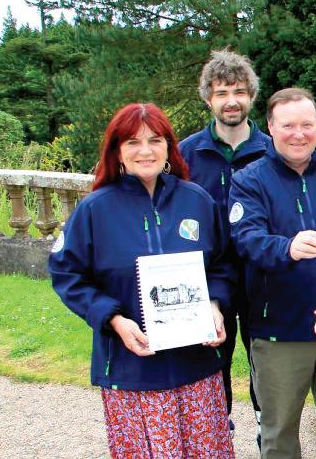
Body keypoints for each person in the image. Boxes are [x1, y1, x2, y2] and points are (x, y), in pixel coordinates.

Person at [50, 103, 234, 457]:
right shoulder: (95, 210)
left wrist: (213, 304)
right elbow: (66, 274)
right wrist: (114, 320)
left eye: (155, 140)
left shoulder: (197, 200)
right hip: (131, 369)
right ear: (117, 150)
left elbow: (222, 264)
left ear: (169, 147)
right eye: (133, 142)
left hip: (196, 367)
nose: (145, 150)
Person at [229, 87, 316, 459]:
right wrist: (286, 248)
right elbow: (246, 238)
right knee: (280, 436)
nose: (299, 134)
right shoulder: (249, 180)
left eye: (307, 124)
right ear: (270, 127)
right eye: (288, 125)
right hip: (280, 332)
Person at [179, 49, 271, 437]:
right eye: (221, 93)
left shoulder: (273, 150)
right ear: (208, 98)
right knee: (210, 360)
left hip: (262, 276)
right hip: (206, 278)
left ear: (252, 95)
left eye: (238, 91)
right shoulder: (184, 154)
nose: (231, 101)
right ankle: (218, 433)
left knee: (265, 360)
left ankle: (267, 431)